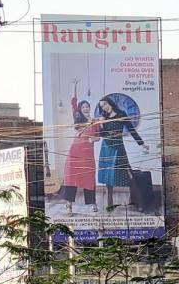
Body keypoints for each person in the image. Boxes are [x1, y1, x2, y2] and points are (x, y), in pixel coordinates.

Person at [95, 95, 148, 212]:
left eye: (105, 104)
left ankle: (139, 203)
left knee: (129, 174)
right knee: (108, 177)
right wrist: (102, 125)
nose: (104, 107)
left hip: (118, 147)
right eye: (102, 106)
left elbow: (131, 129)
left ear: (110, 103)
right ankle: (110, 204)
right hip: (106, 148)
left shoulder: (122, 114)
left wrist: (142, 143)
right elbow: (102, 135)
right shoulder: (104, 118)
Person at [60, 79, 100, 213]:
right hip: (75, 153)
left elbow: (99, 137)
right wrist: (74, 86)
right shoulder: (78, 119)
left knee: (89, 177)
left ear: (90, 108)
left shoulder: (95, 122)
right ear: (80, 110)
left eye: (87, 107)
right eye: (83, 107)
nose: (85, 109)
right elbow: (73, 103)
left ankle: (93, 204)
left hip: (87, 155)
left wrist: (93, 140)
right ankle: (68, 205)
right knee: (71, 177)